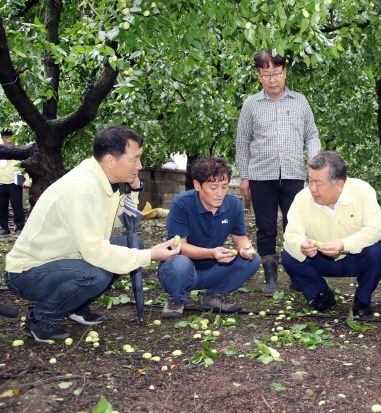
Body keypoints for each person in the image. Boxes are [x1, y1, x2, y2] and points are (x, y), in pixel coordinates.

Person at [5, 125, 180, 342]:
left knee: (132, 244)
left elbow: (119, 221)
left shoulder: (101, 180)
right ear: (109, 160)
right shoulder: (85, 188)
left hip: (66, 258)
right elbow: (95, 252)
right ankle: (42, 318)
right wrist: (151, 256)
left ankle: (76, 304)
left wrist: (134, 191)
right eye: (134, 159)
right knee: (97, 274)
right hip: (28, 273)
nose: (140, 166)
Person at [236, 48, 321, 296]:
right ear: (259, 76)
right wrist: (244, 175)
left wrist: (313, 157)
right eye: (266, 75)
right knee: (265, 227)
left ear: (284, 73)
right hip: (261, 175)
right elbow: (242, 141)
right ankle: (270, 277)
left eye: (276, 73)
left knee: (294, 225)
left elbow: (311, 134)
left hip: (294, 173)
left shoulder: (300, 101)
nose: (272, 79)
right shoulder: (251, 104)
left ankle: (297, 275)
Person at [281, 151, 381, 316]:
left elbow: (376, 229)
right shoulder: (302, 198)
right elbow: (292, 233)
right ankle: (321, 294)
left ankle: (362, 299)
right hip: (319, 259)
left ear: (339, 185)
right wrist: (301, 244)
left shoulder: (363, 192)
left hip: (354, 257)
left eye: (318, 183)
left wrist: (345, 244)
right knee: (289, 254)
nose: (312, 188)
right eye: (310, 181)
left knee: (376, 251)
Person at [157, 157, 260, 319]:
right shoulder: (181, 204)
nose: (220, 193)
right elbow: (180, 247)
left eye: (224, 187)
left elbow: (240, 239)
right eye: (213, 187)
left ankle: (214, 296)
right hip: (182, 270)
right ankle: (176, 297)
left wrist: (246, 248)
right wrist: (212, 253)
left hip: (214, 270)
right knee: (179, 262)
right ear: (198, 185)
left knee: (253, 260)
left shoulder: (234, 205)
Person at [0, 130, 30, 237]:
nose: (7, 139)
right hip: (1, 183)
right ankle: (4, 228)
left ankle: (20, 228)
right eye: (4, 137)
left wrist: (27, 181)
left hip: (14, 183)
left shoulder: (19, 151)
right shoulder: (1, 150)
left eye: (9, 137)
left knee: (17, 206)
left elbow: (26, 167)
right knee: (2, 207)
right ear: (2, 138)